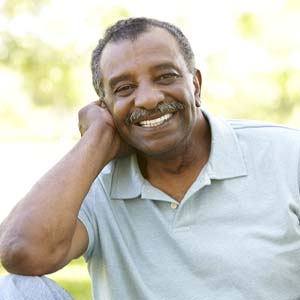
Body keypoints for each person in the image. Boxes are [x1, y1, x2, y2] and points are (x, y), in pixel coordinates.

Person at [0, 16, 300, 300]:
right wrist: (96, 138)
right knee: (15, 289)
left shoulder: (286, 154)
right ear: (104, 106)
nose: (147, 99)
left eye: (165, 76)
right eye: (124, 88)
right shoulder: (92, 183)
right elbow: (21, 253)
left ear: (195, 85)